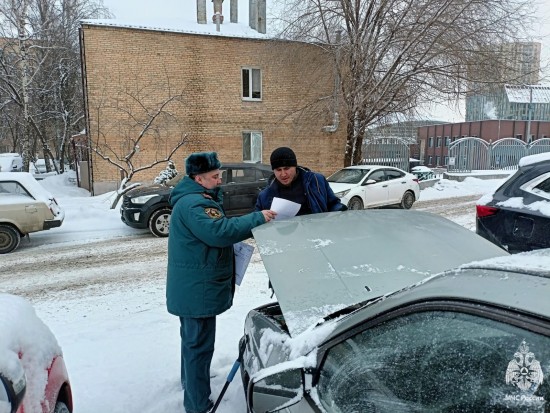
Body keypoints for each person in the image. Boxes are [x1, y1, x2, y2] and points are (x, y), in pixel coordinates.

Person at [166, 151, 276, 413]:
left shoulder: (191, 199)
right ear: (199, 178)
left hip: (192, 287)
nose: (219, 181)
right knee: (199, 347)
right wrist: (258, 218)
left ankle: (192, 384)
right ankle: (197, 403)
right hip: (198, 289)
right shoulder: (195, 204)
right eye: (215, 177)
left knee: (192, 343)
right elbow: (219, 232)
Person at [255, 146, 347, 215]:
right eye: (278, 170)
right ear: (273, 171)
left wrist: (340, 211)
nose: (283, 174)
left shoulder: (316, 181)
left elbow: (333, 204)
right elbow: (258, 223)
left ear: (295, 166)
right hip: (285, 239)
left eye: (286, 168)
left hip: (317, 236)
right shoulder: (265, 196)